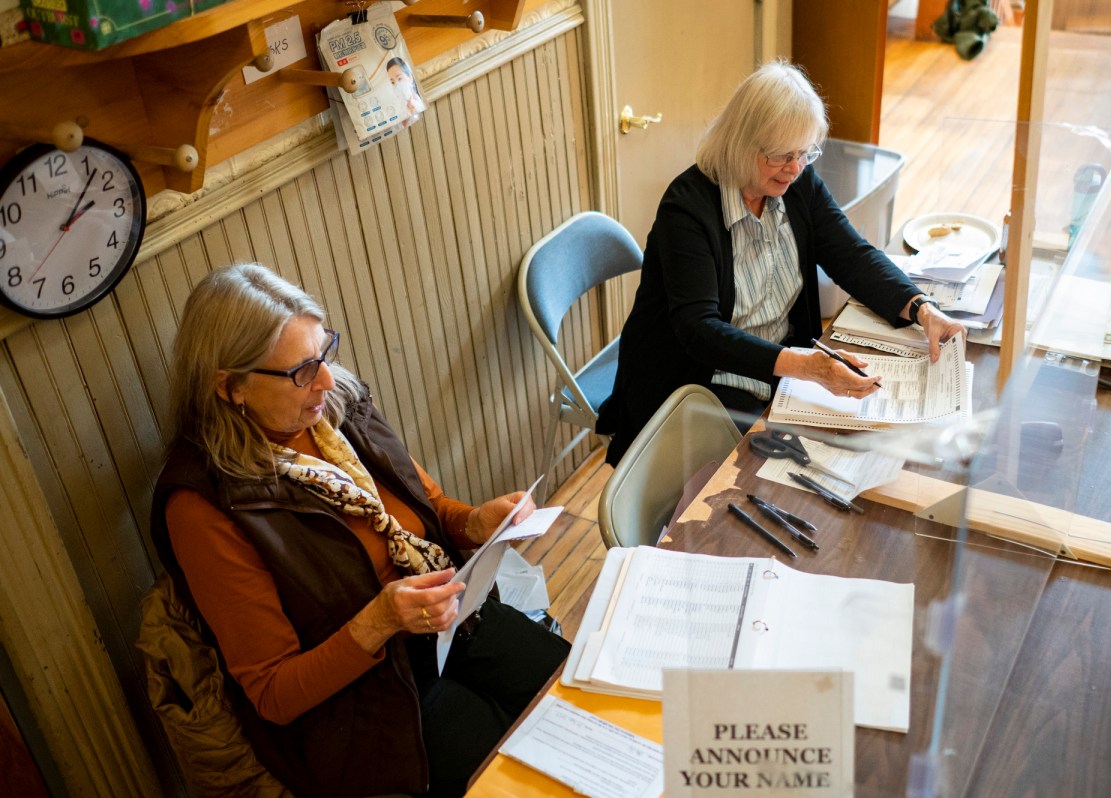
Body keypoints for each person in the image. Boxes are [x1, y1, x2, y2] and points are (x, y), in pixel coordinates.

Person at [150, 264, 569, 798]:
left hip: (452, 623)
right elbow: (273, 693)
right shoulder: (203, 503)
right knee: (525, 781)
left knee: (580, 698)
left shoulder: (336, 407)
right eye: (302, 370)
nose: (327, 378)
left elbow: (429, 509)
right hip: (371, 702)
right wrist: (380, 621)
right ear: (231, 387)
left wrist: (474, 521)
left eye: (324, 351)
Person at [596, 61, 966, 464]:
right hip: (702, 382)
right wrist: (806, 367)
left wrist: (921, 309)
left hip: (781, 371)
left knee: (854, 449)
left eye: (805, 153)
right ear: (741, 143)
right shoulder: (686, 211)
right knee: (778, 477)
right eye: (781, 155)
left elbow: (852, 255)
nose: (795, 168)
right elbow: (699, 331)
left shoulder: (797, 183)